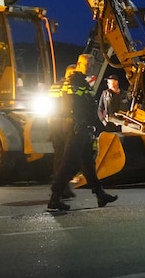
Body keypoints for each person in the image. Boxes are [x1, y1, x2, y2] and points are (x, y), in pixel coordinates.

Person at [48, 61, 118, 211]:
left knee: (87, 162)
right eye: (87, 64)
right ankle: (55, 198)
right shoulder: (75, 83)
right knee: (69, 163)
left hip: (74, 127)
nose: (90, 67)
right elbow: (79, 107)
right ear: (79, 65)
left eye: (91, 65)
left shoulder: (77, 83)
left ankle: (100, 194)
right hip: (77, 128)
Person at [48, 65, 77, 200]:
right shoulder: (64, 86)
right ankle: (60, 188)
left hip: (58, 123)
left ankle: (63, 187)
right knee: (62, 157)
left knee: (64, 157)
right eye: (72, 73)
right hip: (60, 124)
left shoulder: (57, 86)